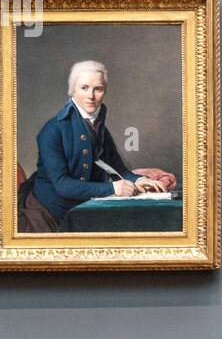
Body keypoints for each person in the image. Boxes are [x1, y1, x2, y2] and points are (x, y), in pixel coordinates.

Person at [18, 60, 175, 232]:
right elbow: (63, 185)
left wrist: (139, 180)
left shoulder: (100, 128)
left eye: (98, 89)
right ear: (73, 90)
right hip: (49, 212)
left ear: (104, 91)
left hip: (85, 207)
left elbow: (119, 170)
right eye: (84, 88)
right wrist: (113, 188)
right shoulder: (52, 130)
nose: (91, 96)